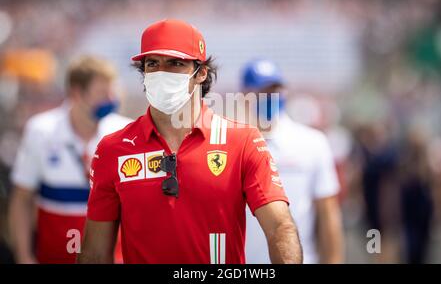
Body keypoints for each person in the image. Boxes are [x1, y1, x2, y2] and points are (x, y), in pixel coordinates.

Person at [78, 19, 302, 264]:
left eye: (175, 63)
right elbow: (94, 254)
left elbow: (280, 228)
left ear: (201, 73)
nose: (162, 72)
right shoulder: (112, 149)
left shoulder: (243, 141)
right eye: (152, 64)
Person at [8, 56, 131, 263]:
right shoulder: (41, 130)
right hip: (53, 257)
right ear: (76, 93)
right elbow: (21, 200)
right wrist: (24, 256)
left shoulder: (126, 132)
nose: (110, 99)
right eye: (102, 93)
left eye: (112, 91)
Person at [241, 59, 344, 264]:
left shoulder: (312, 142)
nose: (269, 97)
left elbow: (328, 212)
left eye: (274, 90)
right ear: (245, 96)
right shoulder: (234, 144)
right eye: (261, 91)